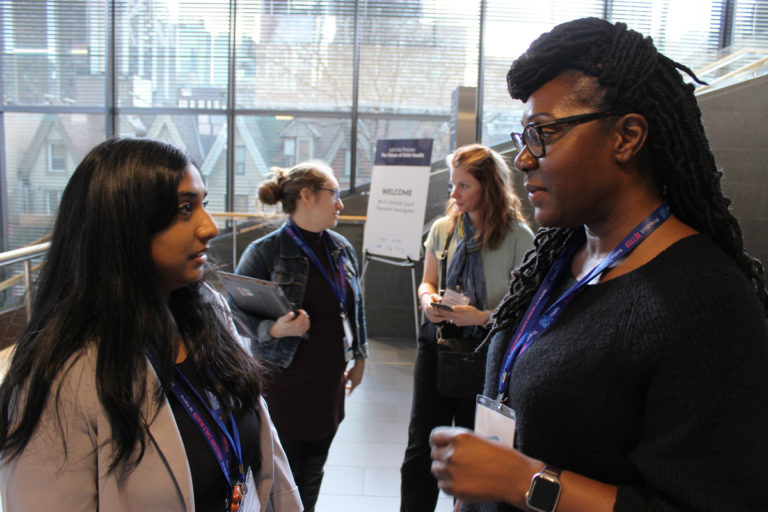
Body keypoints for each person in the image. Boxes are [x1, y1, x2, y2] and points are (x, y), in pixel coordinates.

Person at [429, 17, 768, 512]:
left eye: (543, 133)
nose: (524, 158)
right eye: (524, 135)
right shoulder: (559, 254)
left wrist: (525, 482)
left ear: (626, 136)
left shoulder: (706, 302)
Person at [0, 138, 302, 512]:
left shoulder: (210, 312)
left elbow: (264, 457)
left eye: (203, 205)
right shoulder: (60, 378)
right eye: (183, 209)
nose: (209, 227)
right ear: (122, 225)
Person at [401, 143, 534, 511]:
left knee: (476, 445)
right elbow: (427, 282)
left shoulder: (519, 237)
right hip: (438, 343)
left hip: (487, 349)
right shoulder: (444, 229)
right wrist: (428, 301)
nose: (454, 194)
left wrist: (481, 316)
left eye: (464, 186)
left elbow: (525, 305)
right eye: (452, 185)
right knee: (421, 443)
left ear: (488, 187)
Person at [235, 161, 368, 512]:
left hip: (329, 382)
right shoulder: (265, 252)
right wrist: (274, 329)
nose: (340, 203)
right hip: (283, 383)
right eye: (334, 194)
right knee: (281, 473)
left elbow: (356, 308)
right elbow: (235, 316)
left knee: (314, 468)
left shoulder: (341, 249)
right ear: (306, 196)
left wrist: (361, 356)